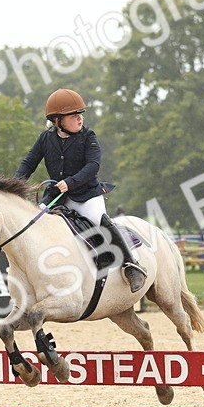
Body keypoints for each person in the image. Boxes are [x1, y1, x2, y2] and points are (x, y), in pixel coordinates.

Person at [15, 88, 146, 292]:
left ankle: (132, 266)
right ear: (58, 120)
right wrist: (14, 186)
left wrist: (71, 182)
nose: (79, 119)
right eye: (74, 116)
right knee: (35, 223)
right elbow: (28, 163)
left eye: (80, 115)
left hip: (86, 195)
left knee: (98, 219)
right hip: (57, 197)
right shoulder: (45, 138)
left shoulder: (88, 137)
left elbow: (93, 166)